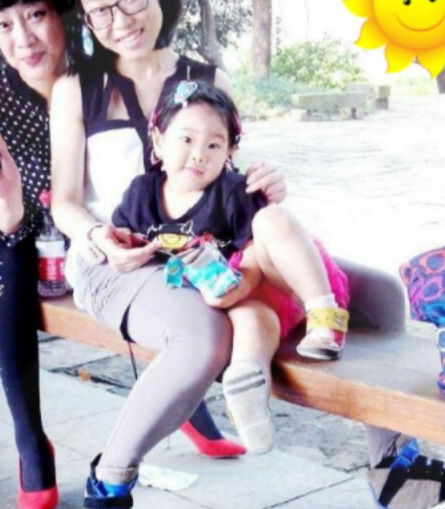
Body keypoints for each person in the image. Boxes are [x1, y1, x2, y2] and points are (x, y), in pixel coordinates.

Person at [50, 0, 445, 509]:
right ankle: (111, 482)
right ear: (86, 16)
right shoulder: (79, 87)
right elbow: (66, 202)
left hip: (216, 251)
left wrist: (266, 183)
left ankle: (393, 473)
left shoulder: (208, 77)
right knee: (204, 336)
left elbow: (228, 178)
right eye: (100, 9)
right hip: (121, 260)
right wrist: (98, 238)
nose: (120, 19)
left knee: (377, 297)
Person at [0, 0, 231, 509]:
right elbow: (8, 219)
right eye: (3, 26)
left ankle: (187, 405)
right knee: (11, 264)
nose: (22, 39)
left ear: (63, 12)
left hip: (72, 233)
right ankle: (31, 442)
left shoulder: (98, 75)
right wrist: (9, 194)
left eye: (34, 15)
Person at [112, 80, 350, 453]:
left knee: (271, 219)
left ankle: (326, 316)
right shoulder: (141, 193)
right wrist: (117, 248)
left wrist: (240, 286)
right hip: (225, 301)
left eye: (213, 145)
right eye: (186, 139)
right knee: (251, 321)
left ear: (229, 152)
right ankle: (248, 392)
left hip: (273, 279)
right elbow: (120, 236)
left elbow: (255, 254)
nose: (198, 155)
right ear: (157, 141)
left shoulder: (234, 192)